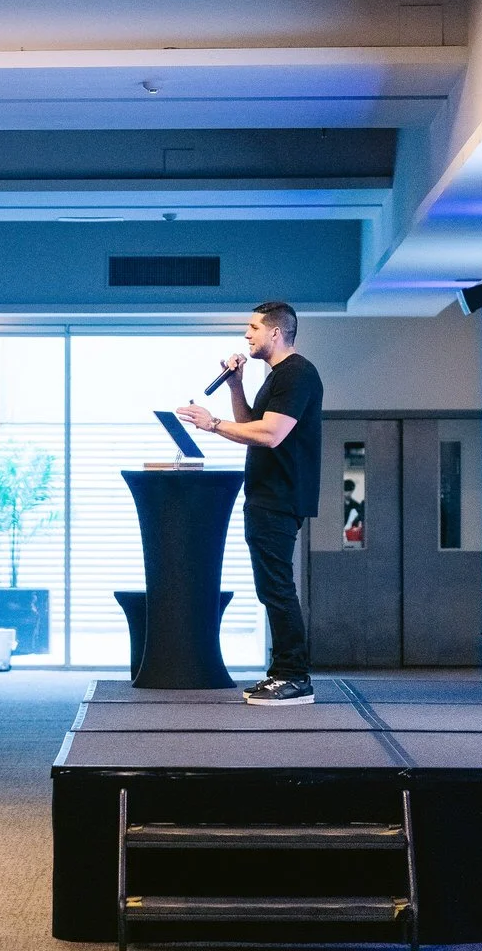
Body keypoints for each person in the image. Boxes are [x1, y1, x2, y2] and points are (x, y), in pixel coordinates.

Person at [176, 299, 324, 706]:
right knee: (270, 587)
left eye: (254, 328)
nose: (246, 335)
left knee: (277, 587)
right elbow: (250, 426)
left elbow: (271, 435)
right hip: (265, 495)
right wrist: (235, 386)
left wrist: (212, 424)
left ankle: (294, 677)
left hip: (280, 496)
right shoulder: (276, 377)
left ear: (276, 332)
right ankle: (282, 673)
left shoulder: (297, 374)